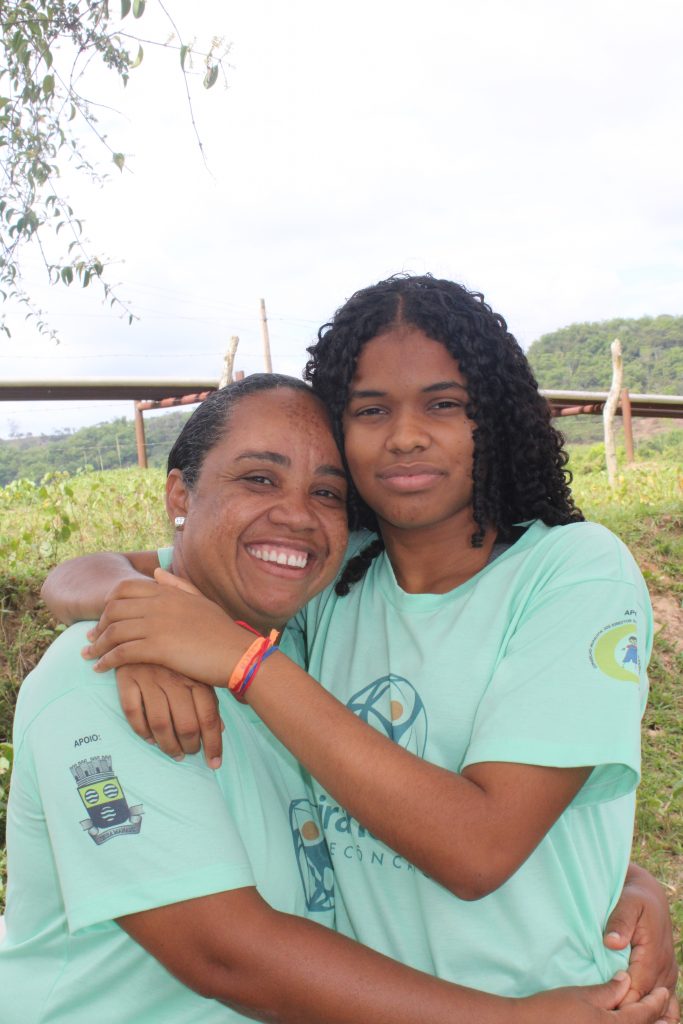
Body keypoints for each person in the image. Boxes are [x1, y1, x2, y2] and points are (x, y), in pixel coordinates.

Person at [43, 278, 679, 1017]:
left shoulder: (571, 571)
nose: (405, 435)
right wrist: (144, 621)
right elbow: (90, 571)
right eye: (371, 410)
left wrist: (243, 664)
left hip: (557, 1002)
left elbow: (480, 849)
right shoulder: (333, 575)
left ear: (496, 415)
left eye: (444, 405)